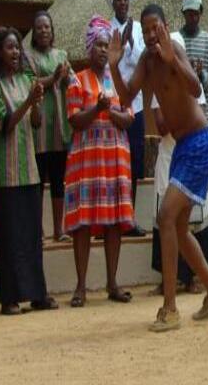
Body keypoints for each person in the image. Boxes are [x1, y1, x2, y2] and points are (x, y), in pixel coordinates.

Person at [109, 3, 208, 332]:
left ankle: (171, 308)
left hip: (200, 143)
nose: (150, 35)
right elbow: (126, 96)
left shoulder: (174, 49)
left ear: (164, 26)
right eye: (145, 30)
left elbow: (195, 87)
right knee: (176, 227)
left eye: (155, 28)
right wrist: (115, 67)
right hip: (181, 148)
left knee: (165, 218)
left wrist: (172, 57)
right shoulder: (147, 62)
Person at [151, 32, 208, 296]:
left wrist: (175, 63)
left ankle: (171, 305)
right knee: (177, 226)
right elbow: (161, 124)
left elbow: (196, 94)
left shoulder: (185, 77)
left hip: (195, 148)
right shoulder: (156, 77)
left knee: (171, 218)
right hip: (175, 153)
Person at [63, 16, 135, 308]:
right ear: (89, 47)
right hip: (87, 160)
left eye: (107, 46)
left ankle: (112, 282)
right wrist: (97, 108)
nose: (104, 51)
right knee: (83, 222)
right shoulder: (76, 79)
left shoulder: (117, 80)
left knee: (114, 222)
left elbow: (129, 117)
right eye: (99, 45)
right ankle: (80, 286)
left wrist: (110, 112)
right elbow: (75, 120)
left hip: (115, 156)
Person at [0, 27, 57, 315]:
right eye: (10, 48)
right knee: (10, 236)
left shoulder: (28, 79)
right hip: (7, 173)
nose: (15, 52)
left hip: (30, 169)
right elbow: (4, 125)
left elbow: (36, 123)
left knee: (31, 235)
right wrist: (28, 101)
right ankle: (10, 297)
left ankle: (37, 292)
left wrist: (37, 103)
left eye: (17, 47)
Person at [25, 11, 73, 242]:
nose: (44, 31)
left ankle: (58, 229)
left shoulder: (61, 54)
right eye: (39, 27)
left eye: (47, 27)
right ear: (34, 32)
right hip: (39, 128)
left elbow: (72, 80)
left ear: (52, 31)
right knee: (38, 180)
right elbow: (29, 83)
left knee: (58, 179)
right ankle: (36, 229)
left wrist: (64, 78)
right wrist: (53, 78)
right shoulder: (28, 56)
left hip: (59, 127)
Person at [106, 0, 147, 237]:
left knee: (134, 160)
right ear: (113, 4)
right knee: (113, 161)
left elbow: (141, 60)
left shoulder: (140, 30)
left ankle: (129, 217)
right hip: (113, 100)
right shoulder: (107, 30)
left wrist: (131, 41)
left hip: (137, 102)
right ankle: (110, 218)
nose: (122, 3)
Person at [178, 0, 208, 124]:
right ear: (183, 13)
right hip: (181, 112)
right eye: (189, 14)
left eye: (196, 13)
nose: (193, 18)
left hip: (204, 114)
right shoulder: (176, 40)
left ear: (201, 13)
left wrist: (201, 74)